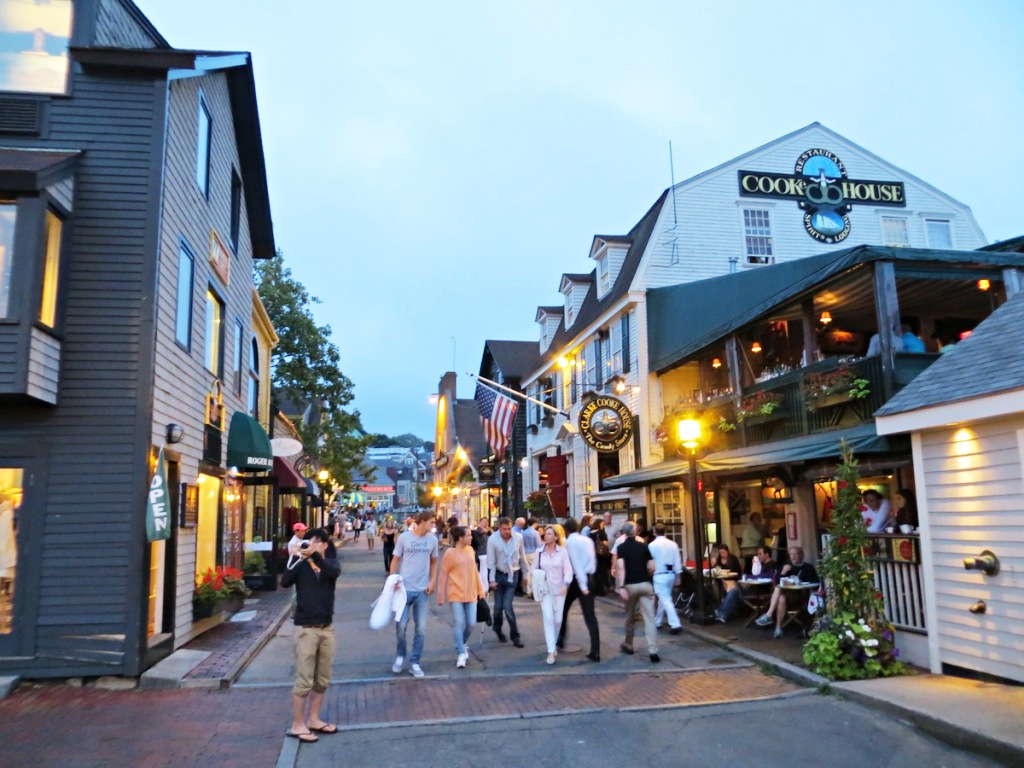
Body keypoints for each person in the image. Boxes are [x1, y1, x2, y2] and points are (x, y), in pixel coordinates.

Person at [280, 527, 341, 743]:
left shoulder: (329, 565)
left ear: (324, 545)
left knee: (322, 679)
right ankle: (298, 724)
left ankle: (314, 719)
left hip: (326, 628)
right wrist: (295, 556)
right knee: (304, 678)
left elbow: (333, 573)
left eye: (316, 542)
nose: (312, 545)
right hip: (306, 629)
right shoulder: (301, 565)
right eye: (309, 541)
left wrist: (314, 556)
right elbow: (285, 581)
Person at [390, 511, 439, 678]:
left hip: (422, 590)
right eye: (431, 522)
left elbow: (434, 562)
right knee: (401, 625)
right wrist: (393, 578)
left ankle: (415, 662)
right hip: (404, 588)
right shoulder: (404, 538)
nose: (433, 526)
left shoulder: (432, 540)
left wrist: (432, 581)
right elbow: (396, 559)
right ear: (423, 521)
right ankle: (400, 655)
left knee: (421, 628)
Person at [437, 526, 486, 669]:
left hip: (471, 591)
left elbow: (474, 571)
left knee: (471, 622)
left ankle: (462, 642)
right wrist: (440, 595)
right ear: (460, 538)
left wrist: (480, 589)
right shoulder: (450, 553)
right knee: (459, 622)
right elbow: (444, 574)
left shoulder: (470, 550)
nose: (471, 538)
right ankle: (460, 652)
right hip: (455, 592)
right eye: (469, 535)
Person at [557, 518, 601, 662]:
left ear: (566, 530)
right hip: (589, 577)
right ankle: (595, 650)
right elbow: (593, 560)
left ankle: (561, 638)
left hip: (575, 579)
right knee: (590, 616)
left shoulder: (569, 543)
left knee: (563, 609)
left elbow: (575, 563)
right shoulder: (588, 541)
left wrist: (582, 584)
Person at [614, 522, 659, 663]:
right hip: (645, 584)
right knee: (649, 618)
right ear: (635, 532)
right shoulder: (644, 546)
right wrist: (647, 575)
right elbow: (652, 566)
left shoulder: (621, 548)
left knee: (629, 616)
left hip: (630, 585)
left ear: (624, 533)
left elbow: (621, 567)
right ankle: (653, 650)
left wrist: (621, 587)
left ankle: (629, 644)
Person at [755, 546, 820, 638]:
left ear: (801, 555)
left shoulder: (808, 568)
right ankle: (778, 628)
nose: (793, 556)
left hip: (802, 597)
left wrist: (800, 582)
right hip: (788, 598)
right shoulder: (787, 567)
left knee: (779, 591)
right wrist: (783, 573)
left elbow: (816, 584)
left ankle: (769, 616)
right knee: (781, 597)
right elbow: (776, 582)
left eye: (795, 554)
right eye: (791, 554)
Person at [532, 525, 574, 664]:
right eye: (546, 533)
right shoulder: (539, 552)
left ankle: (553, 642)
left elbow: (568, 570)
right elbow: (533, 569)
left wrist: (566, 584)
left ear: (556, 537)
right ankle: (551, 650)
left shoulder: (562, 552)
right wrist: (538, 577)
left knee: (558, 620)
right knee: (548, 618)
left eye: (550, 534)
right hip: (545, 590)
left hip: (559, 589)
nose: (546, 536)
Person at [487, 516, 526, 648]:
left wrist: (526, 574)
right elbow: (491, 561)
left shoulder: (518, 538)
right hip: (498, 574)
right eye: (504, 529)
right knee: (498, 607)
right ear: (499, 529)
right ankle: (497, 629)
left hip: (512, 574)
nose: (507, 531)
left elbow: (522, 556)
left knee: (507, 606)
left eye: (509, 529)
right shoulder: (493, 539)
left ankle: (515, 636)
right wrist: (491, 580)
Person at [715, 546, 777, 623]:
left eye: (760, 554)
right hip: (756, 589)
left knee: (735, 591)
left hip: (762, 591)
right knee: (735, 590)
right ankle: (721, 612)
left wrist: (749, 577)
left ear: (767, 555)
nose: (758, 556)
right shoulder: (761, 564)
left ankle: (722, 612)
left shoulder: (771, 564)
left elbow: (767, 576)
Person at [648, 523, 683, 635]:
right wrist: (678, 575)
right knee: (664, 598)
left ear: (654, 532)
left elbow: (650, 563)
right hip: (671, 574)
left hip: (659, 574)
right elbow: (677, 560)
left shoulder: (652, 545)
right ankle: (657, 621)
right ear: (665, 531)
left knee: (665, 599)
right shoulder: (673, 544)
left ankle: (675, 623)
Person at [520, 517, 541, 598]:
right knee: (533, 573)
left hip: (525, 553)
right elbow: (538, 545)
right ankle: (533, 590)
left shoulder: (523, 533)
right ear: (535, 523)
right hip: (533, 553)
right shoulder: (535, 533)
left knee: (527, 572)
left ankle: (528, 590)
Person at [589, 518, 611, 596]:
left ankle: (596, 590)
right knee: (602, 572)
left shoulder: (590, 533)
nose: (603, 525)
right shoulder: (601, 533)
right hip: (601, 555)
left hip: (594, 554)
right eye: (602, 524)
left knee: (596, 573)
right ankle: (602, 590)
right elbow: (605, 543)